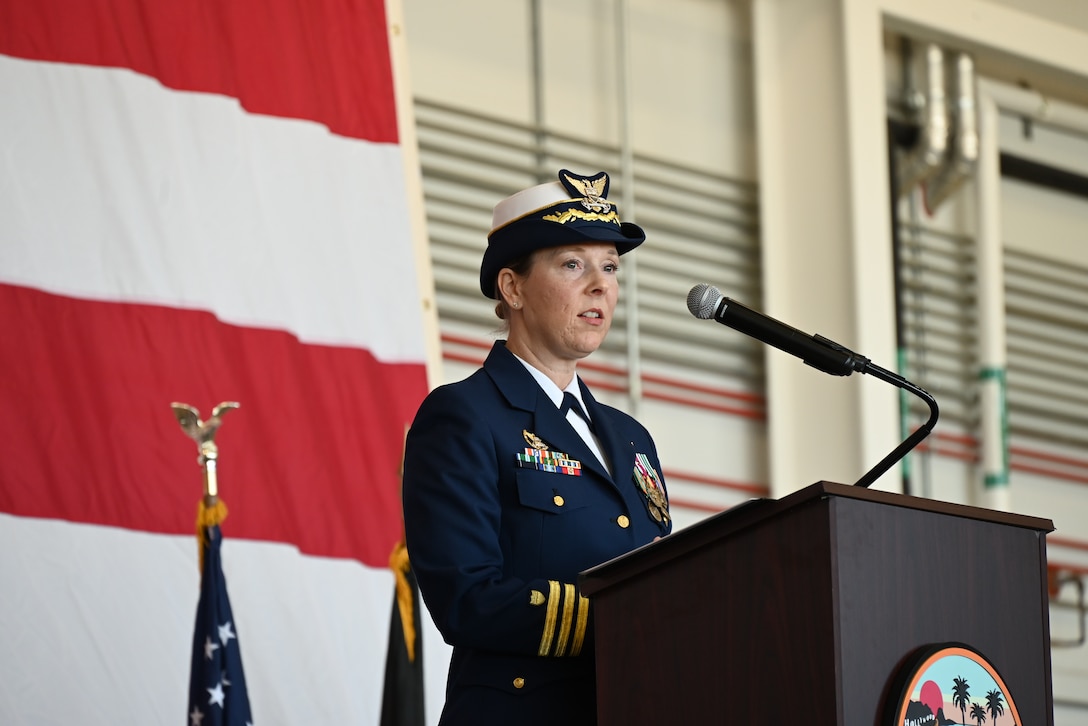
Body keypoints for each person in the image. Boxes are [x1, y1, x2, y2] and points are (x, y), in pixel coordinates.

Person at [402, 169, 671, 725]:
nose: (601, 285)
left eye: (611, 267)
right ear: (513, 287)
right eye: (574, 264)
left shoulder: (631, 438)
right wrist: (626, 616)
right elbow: (466, 597)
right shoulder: (463, 416)